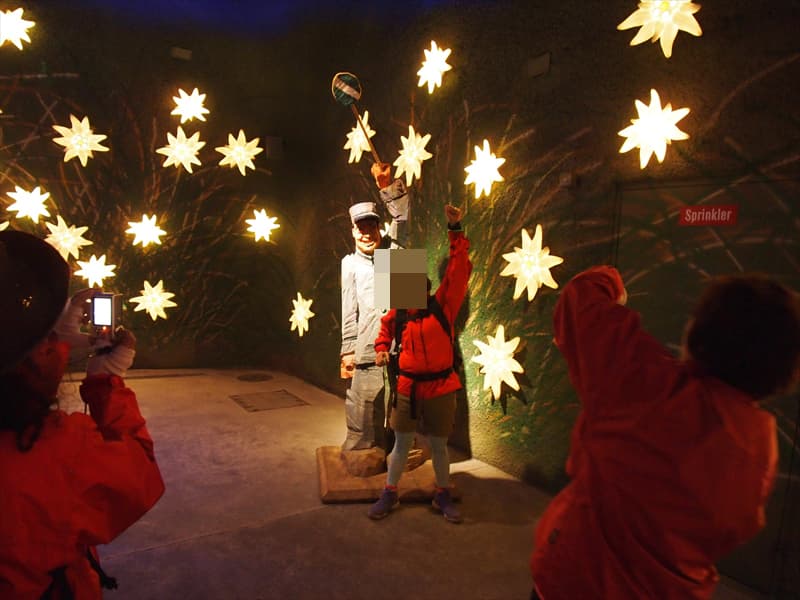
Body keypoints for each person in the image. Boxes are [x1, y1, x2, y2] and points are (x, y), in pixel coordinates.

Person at [530, 265, 800, 599]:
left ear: (697, 335)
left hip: (576, 579)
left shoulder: (645, 384)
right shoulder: (760, 446)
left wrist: (613, 283)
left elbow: (580, 299)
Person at [0, 229, 165, 599]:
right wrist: (107, 382)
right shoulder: (55, 452)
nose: (56, 346)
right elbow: (139, 475)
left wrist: (60, 337)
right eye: (45, 339)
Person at [368, 204, 471, 523]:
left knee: (439, 445)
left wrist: (455, 230)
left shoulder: (442, 307)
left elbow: (458, 271)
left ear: (424, 288)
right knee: (401, 443)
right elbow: (384, 331)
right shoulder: (398, 314)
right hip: (408, 386)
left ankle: (442, 493)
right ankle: (390, 491)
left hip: (441, 386)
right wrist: (381, 349)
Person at [340, 162, 408, 452]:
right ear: (353, 231)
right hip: (368, 345)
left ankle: (402, 445)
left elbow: (402, 218)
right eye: (361, 228)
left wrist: (386, 187)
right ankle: (365, 447)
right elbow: (348, 310)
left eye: (372, 226)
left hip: (401, 345)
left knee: (403, 401)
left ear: (379, 228)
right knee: (364, 401)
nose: (367, 233)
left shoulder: (395, 254)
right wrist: (348, 350)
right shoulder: (349, 263)